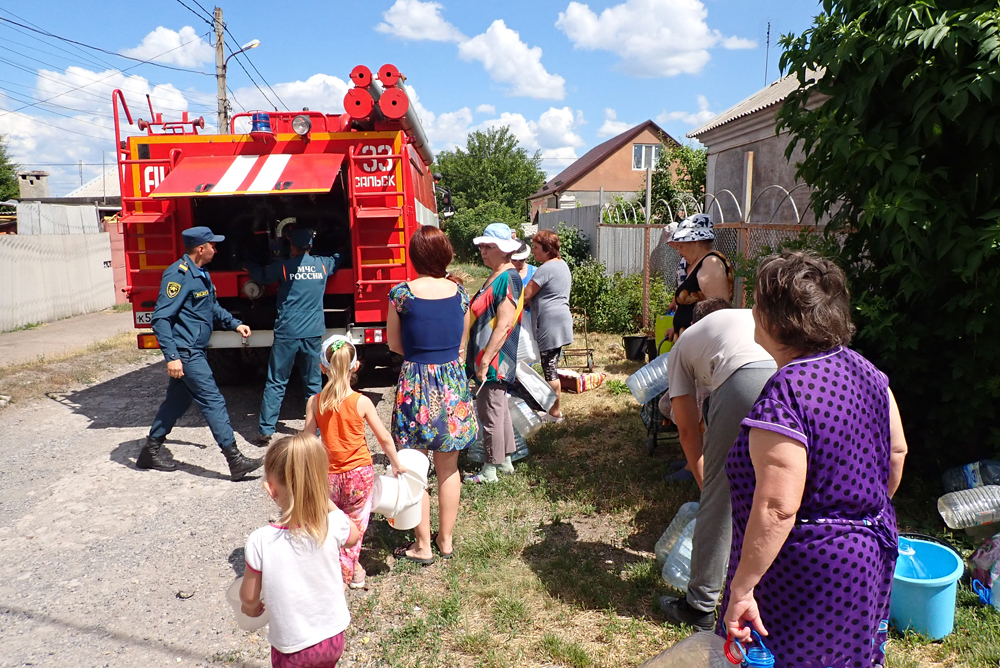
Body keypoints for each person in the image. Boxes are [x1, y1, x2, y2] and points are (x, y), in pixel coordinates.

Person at [719, 251, 908, 667]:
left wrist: (743, 588)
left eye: (756, 302)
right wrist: (858, 515)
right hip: (868, 555)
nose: (751, 309)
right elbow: (897, 452)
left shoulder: (786, 392)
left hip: (803, 572)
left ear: (775, 320)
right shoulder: (869, 372)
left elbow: (777, 506)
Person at [658, 304, 776, 631]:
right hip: (791, 370)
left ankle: (700, 604)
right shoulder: (735, 320)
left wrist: (704, 482)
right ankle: (773, 594)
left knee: (720, 494)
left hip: (744, 378)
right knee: (779, 491)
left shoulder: (682, 347)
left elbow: (685, 428)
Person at [139, 226, 263, 481]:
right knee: (213, 401)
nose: (216, 250)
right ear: (200, 249)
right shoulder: (178, 275)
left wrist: (233, 323)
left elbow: (212, 306)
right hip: (186, 352)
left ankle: (150, 451)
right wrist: (172, 357)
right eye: (212, 245)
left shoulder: (201, 274)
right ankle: (235, 460)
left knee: (177, 402)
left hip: (194, 349)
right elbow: (160, 319)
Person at [387, 226, 479, 564]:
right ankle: (446, 541)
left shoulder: (401, 295)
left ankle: (422, 545)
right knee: (449, 468)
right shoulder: (460, 293)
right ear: (446, 254)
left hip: (416, 383)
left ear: (414, 257)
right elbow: (461, 343)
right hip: (451, 383)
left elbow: (394, 344)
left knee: (415, 467)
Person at [240, 433, 361, 667]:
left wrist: (250, 607)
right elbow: (353, 536)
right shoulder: (332, 525)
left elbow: (249, 595)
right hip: (333, 637)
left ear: (270, 489)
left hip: (293, 648)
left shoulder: (261, 540)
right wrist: (324, 499)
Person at [303, 335, 407, 589]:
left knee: (331, 522)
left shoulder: (315, 402)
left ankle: (346, 568)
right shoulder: (362, 402)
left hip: (328, 474)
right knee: (354, 526)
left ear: (322, 368)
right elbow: (384, 438)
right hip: (359, 474)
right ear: (356, 366)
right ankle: (345, 573)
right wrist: (395, 463)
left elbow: (307, 441)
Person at [243, 227, 342, 445]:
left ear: (292, 247)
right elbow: (338, 257)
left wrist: (248, 261)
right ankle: (315, 430)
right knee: (313, 382)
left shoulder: (284, 267)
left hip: (288, 331)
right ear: (310, 246)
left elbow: (261, 275)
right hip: (313, 332)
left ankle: (265, 430)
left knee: (277, 380)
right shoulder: (323, 264)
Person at [464, 222, 523, 484]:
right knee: (499, 409)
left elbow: (505, 324)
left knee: (490, 412)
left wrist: (486, 360)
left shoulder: (508, 278)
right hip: (489, 357)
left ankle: (490, 469)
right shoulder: (498, 274)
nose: (483, 251)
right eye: (482, 246)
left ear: (504, 250)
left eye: (489, 247)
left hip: (494, 359)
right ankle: (505, 460)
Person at [523, 229, 573, 421]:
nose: (533, 252)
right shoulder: (561, 265)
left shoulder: (546, 268)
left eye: (536, 248)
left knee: (550, 369)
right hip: (560, 320)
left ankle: (554, 412)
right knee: (552, 365)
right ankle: (553, 410)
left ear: (547, 249)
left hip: (550, 323)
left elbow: (526, 295)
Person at [667, 213, 734, 340]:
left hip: (702, 346)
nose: (679, 252)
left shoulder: (710, 264)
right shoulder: (700, 262)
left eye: (681, 246)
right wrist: (676, 329)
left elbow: (719, 312)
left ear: (695, 242)